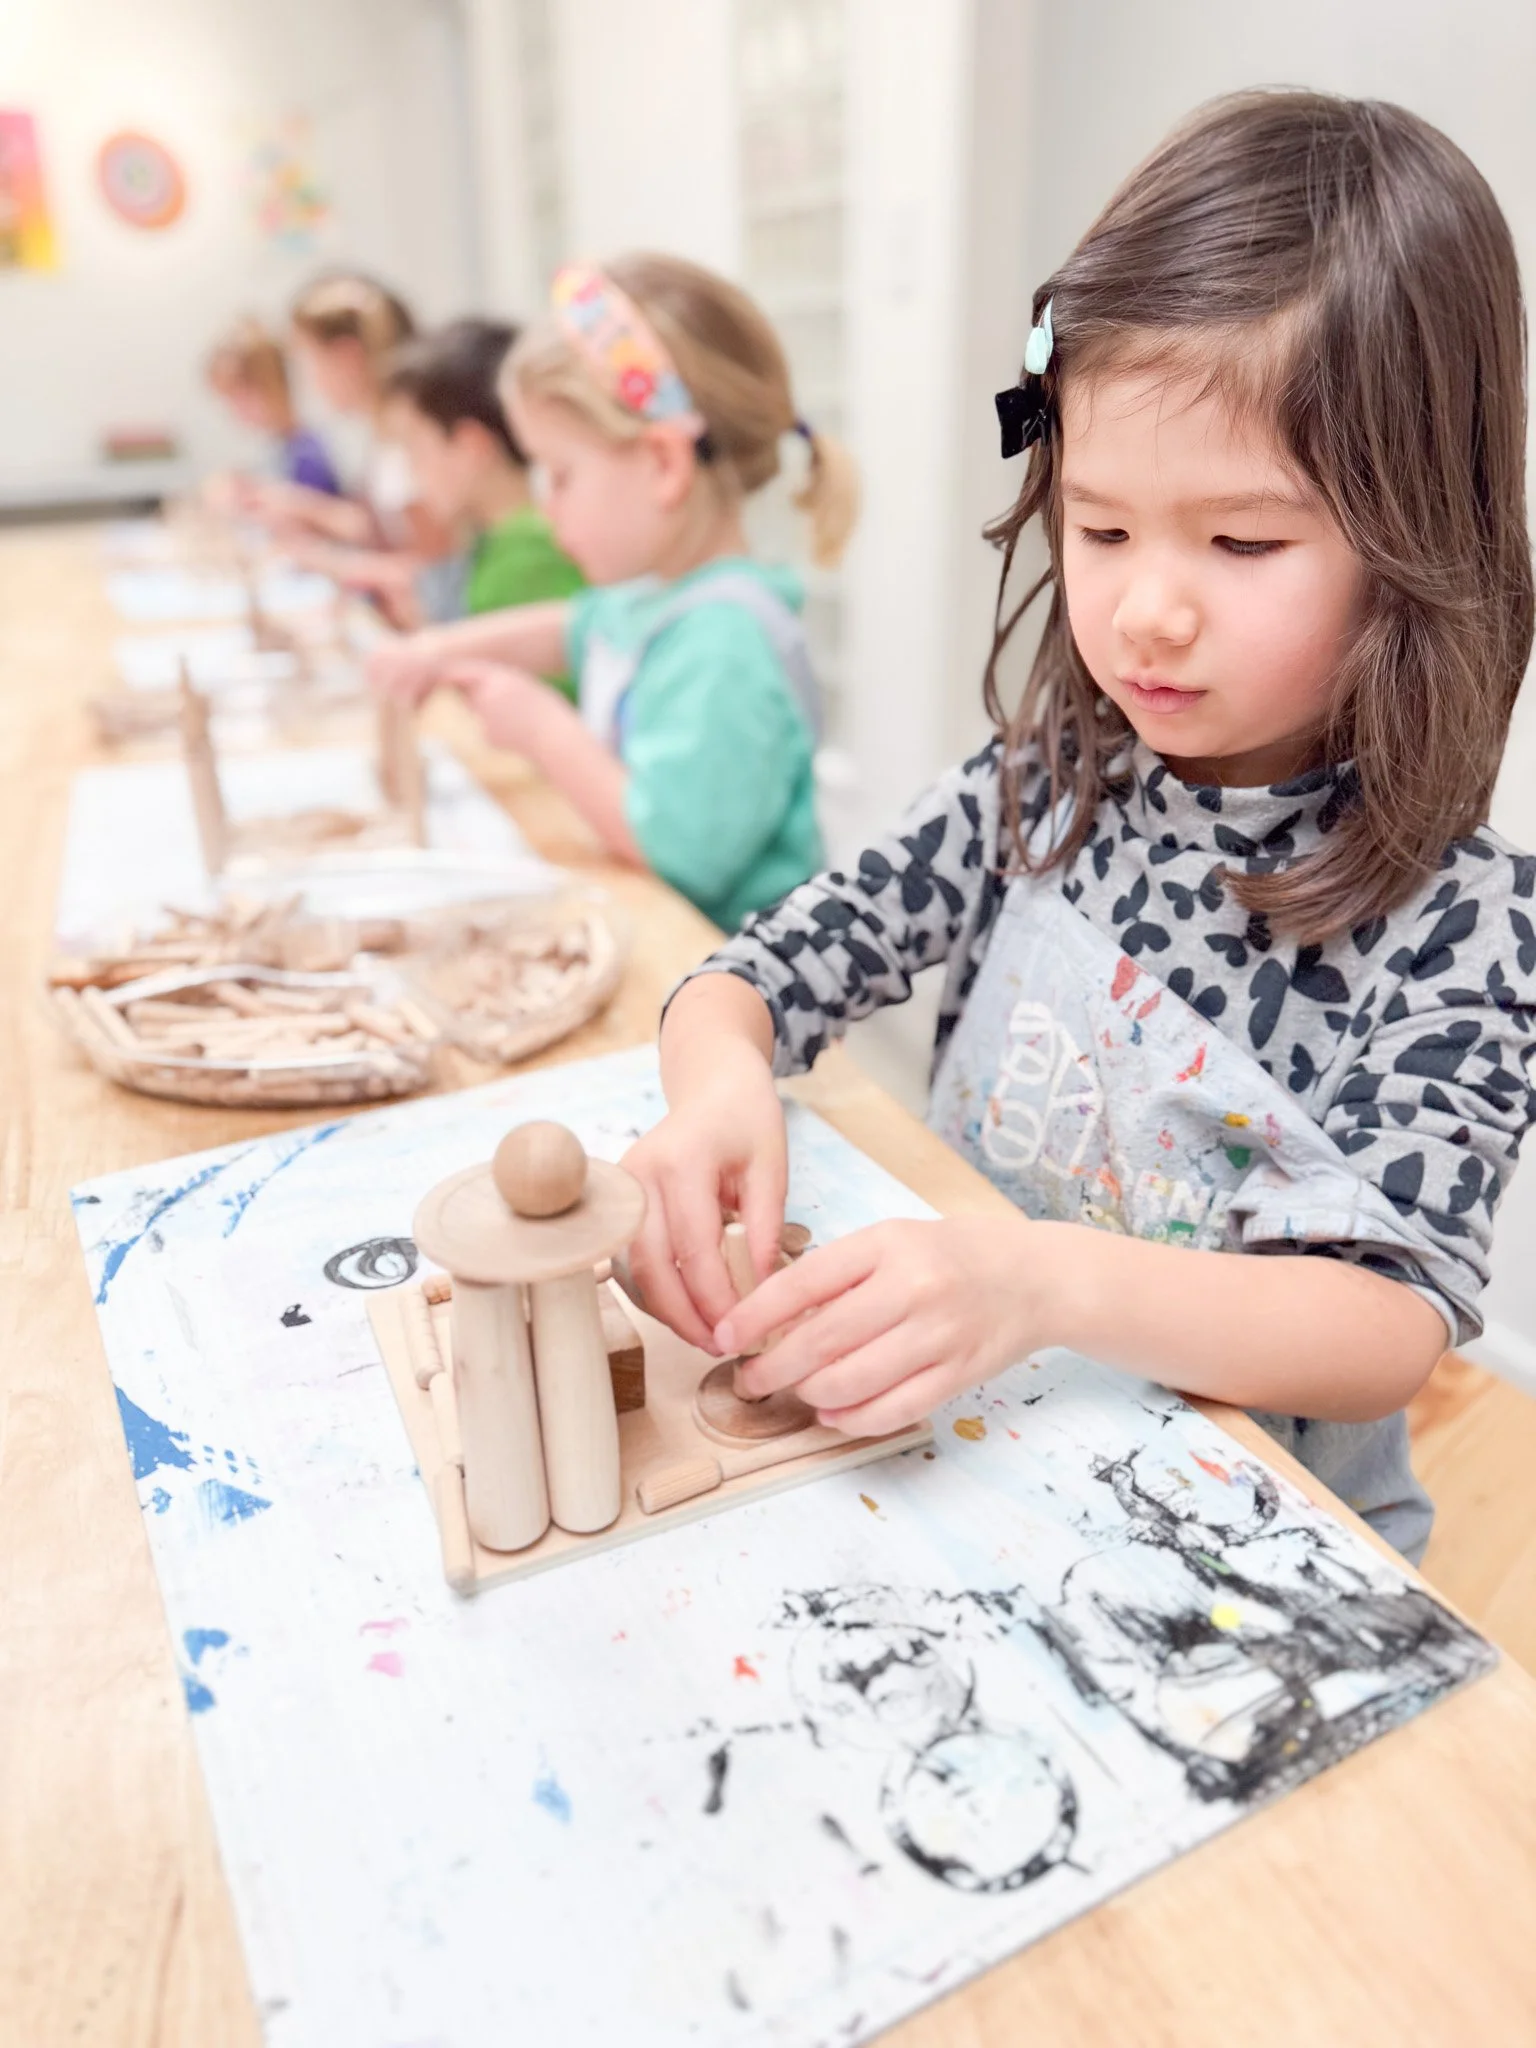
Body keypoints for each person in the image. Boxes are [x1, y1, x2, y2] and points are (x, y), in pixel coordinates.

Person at [618, 91, 1536, 1564]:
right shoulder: (1046, 786)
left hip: (1254, 1550)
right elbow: (768, 968)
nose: (1144, 606)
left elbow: (1380, 1322)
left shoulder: (1466, 927)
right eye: (1100, 526)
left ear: (1419, 541)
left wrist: (1035, 1286)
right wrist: (716, 1082)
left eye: (1242, 542)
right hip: (976, 1456)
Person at [367, 254, 858, 931]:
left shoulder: (725, 641)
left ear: (663, 464)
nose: (546, 503)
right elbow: (569, 629)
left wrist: (545, 732)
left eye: (560, 474)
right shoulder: (657, 594)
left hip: (744, 997)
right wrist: (437, 650)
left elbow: (680, 853)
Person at [381, 318, 584, 693]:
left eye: (415, 448)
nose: (411, 473)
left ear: (471, 447)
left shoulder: (527, 558)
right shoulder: (496, 542)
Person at [204, 317, 341, 497]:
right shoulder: (280, 448)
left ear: (270, 386)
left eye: (238, 397)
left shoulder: (308, 457)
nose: (233, 410)